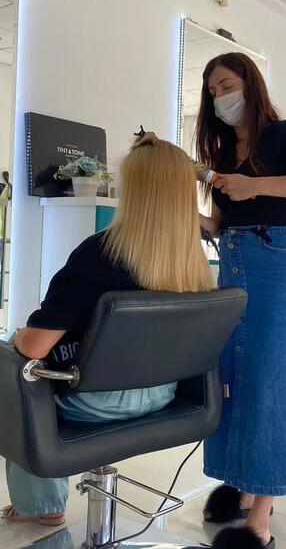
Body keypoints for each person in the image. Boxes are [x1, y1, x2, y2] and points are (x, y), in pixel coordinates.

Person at [2, 132, 214, 526]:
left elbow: (34, 348)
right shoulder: (192, 264)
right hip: (163, 395)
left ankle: (42, 505)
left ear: (134, 192)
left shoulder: (99, 253)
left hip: (96, 402)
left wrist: (16, 338)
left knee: (12, 370)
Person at [195, 52, 286, 548]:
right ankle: (240, 485)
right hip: (233, 259)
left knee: (270, 379)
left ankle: (261, 513)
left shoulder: (283, 133)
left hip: (276, 259)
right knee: (232, 375)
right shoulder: (221, 153)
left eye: (226, 85)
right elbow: (219, 223)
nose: (220, 97)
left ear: (250, 85)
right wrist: (187, 216)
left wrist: (256, 186)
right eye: (213, 91)